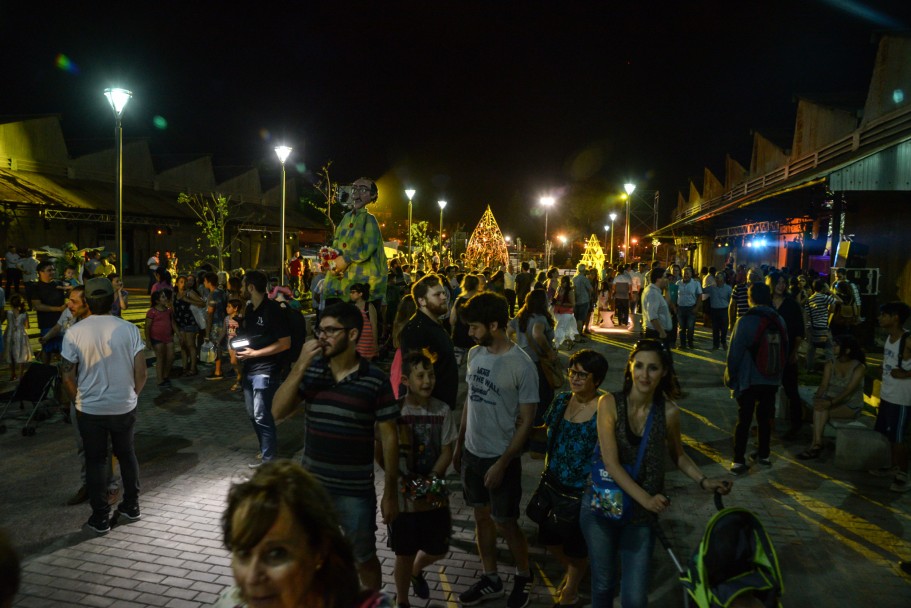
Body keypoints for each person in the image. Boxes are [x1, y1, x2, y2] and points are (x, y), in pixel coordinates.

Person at [580, 339, 732, 606]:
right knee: (603, 586)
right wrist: (647, 499)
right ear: (630, 367)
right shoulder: (609, 403)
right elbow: (611, 463)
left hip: (640, 518)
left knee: (635, 598)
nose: (644, 374)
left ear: (663, 372)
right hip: (603, 505)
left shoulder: (669, 412)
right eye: (639, 366)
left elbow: (679, 455)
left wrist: (704, 480)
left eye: (652, 368)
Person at [272, 301, 399, 591]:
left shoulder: (375, 380)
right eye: (320, 330)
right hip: (313, 488)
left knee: (364, 559)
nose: (322, 337)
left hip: (355, 492)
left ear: (352, 334)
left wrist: (390, 491)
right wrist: (301, 364)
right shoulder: (313, 371)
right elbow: (277, 413)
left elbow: (390, 437)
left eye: (330, 330)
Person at [453, 292, 539, 608]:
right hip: (472, 455)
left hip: (500, 457)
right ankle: (491, 578)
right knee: (481, 518)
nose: (470, 333)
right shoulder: (476, 355)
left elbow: (527, 421)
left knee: (506, 521)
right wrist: (460, 444)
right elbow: (470, 402)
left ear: (494, 324)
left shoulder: (522, 365)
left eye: (474, 327)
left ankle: (523, 575)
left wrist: (503, 463)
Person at [217, 461, 394, 608]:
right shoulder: (229, 603)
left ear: (319, 551)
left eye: (276, 554)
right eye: (243, 553)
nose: (251, 577)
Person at [61, 277, 147, 534]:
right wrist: (132, 395)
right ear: (112, 300)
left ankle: (100, 518)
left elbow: (66, 375)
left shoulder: (75, 332)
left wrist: (78, 400)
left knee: (97, 461)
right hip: (123, 405)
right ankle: (131, 506)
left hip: (91, 409)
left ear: (87, 301)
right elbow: (141, 372)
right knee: (126, 454)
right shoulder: (129, 329)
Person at [537, 349, 608, 607]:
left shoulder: (604, 409)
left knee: (576, 546)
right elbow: (543, 432)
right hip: (553, 484)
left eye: (582, 375)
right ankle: (576, 570)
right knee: (548, 537)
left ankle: (571, 592)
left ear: (596, 380)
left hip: (584, 493)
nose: (575, 379)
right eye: (573, 372)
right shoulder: (561, 400)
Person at [391, 352, 457, 607]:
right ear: (406, 379)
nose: (428, 380)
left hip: (433, 489)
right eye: (421, 375)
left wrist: (429, 480)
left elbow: (447, 450)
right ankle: (402, 600)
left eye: (431, 374)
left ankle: (418, 569)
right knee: (403, 552)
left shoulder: (442, 410)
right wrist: (403, 481)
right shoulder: (396, 411)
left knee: (438, 548)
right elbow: (385, 452)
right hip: (402, 497)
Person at [725, 283, 788, 476]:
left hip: (749, 378)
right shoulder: (779, 319)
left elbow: (734, 353)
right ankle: (764, 455)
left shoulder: (745, 321)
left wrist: (730, 375)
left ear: (751, 298)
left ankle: (738, 460)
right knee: (765, 417)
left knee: (744, 419)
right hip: (771, 378)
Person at [235, 270, 291, 467]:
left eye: (243, 285)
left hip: (266, 369)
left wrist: (255, 354)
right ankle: (264, 451)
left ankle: (269, 460)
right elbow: (252, 338)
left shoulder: (273, 310)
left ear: (251, 287)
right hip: (249, 369)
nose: (240, 289)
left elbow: (285, 343)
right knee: (252, 414)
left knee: (261, 414)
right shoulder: (250, 310)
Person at [322, 178, 388, 317]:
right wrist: (332, 256)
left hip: (360, 281)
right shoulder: (346, 217)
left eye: (363, 190)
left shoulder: (369, 220)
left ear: (373, 195)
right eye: (354, 189)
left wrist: (346, 258)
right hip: (339, 283)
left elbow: (368, 248)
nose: (357, 193)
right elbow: (337, 240)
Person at [797, 334, 866, 459]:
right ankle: (816, 444)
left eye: (837, 345)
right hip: (830, 401)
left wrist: (830, 403)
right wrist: (818, 398)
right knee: (819, 408)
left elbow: (848, 391)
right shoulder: (830, 363)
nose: (833, 347)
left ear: (847, 350)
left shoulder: (859, 367)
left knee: (821, 410)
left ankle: (815, 445)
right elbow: (823, 385)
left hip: (849, 405)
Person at [869, 301, 911, 492]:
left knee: (898, 438)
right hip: (887, 395)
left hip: (901, 398)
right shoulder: (890, 338)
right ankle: (892, 466)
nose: (880, 318)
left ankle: (903, 474)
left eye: (884, 314)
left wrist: (906, 374)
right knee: (888, 434)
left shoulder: (907, 340)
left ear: (895, 317)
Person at [400, 274, 458, 410]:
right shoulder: (416, 330)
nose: (444, 297)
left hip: (440, 408)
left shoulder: (434, 324)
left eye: (443, 293)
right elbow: (416, 375)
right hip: (428, 413)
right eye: (437, 295)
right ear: (422, 301)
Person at [507, 289, 557, 424]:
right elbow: (537, 334)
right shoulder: (541, 318)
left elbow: (508, 332)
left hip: (520, 361)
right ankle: (537, 427)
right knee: (542, 396)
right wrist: (548, 351)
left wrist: (513, 349)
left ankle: (522, 426)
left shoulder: (520, 317)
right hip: (538, 363)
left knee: (523, 396)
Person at [766, 271, 806, 439]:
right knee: (767, 391)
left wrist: (795, 352)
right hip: (767, 353)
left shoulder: (791, 304)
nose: (781, 285)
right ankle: (768, 425)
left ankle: (796, 425)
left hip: (788, 351)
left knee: (791, 390)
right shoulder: (765, 303)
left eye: (784, 282)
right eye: (778, 282)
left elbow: (798, 331)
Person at [30, 260, 67, 364]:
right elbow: (37, 306)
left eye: (53, 270)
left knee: (64, 350)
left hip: (62, 323)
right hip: (46, 323)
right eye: (49, 270)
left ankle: (63, 373)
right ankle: (45, 372)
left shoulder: (59, 284)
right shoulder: (35, 287)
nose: (52, 272)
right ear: (40, 272)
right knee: (47, 349)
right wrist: (58, 309)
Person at [804, 279, 841, 372]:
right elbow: (840, 301)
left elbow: (807, 315)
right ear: (823, 287)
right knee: (829, 348)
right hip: (824, 328)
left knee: (811, 350)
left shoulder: (810, 299)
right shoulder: (824, 297)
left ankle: (810, 368)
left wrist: (807, 329)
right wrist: (830, 292)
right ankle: (830, 369)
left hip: (813, 328)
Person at [145, 288, 178, 390]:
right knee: (160, 358)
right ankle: (160, 380)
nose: (165, 298)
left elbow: (173, 323)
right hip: (156, 338)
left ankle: (165, 375)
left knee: (171, 357)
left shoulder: (168, 311)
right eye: (163, 297)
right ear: (157, 300)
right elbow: (147, 326)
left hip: (168, 337)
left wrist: (178, 334)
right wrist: (148, 340)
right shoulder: (152, 312)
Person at [173, 275, 203, 377]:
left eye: (185, 282)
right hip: (180, 323)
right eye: (181, 282)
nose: (183, 284)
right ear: (176, 283)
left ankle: (193, 368)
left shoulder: (189, 293)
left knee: (191, 345)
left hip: (191, 322)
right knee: (183, 346)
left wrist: (188, 300)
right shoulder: (174, 295)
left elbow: (202, 303)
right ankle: (184, 368)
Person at [450, 274, 481, 366]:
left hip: (459, 337)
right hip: (475, 339)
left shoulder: (459, 300)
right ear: (477, 285)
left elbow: (452, 320)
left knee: (456, 367)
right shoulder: (479, 301)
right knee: (473, 367)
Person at [642, 267, 673, 353]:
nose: (666, 279)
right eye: (664, 277)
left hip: (658, 332)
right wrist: (662, 332)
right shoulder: (653, 293)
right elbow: (652, 316)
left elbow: (665, 304)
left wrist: (667, 290)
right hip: (656, 333)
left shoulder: (656, 292)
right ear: (658, 279)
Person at [4, 294, 31, 381]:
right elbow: (27, 326)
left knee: (10, 354)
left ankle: (13, 374)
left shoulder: (8, 313)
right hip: (20, 335)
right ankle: (21, 375)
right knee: (21, 354)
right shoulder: (24, 314)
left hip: (9, 334)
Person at [350, 282, 379, 360]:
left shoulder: (369, 307)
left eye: (353, 292)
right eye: (350, 292)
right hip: (356, 341)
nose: (351, 294)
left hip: (367, 341)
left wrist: (375, 343)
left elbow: (374, 325)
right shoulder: (352, 307)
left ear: (360, 294)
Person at [676, 266, 703, 349]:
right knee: (681, 328)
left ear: (691, 274)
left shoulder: (695, 283)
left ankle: (690, 343)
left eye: (688, 273)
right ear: (682, 274)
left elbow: (699, 296)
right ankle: (683, 344)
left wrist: (697, 308)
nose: (686, 275)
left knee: (690, 327)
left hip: (691, 308)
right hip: (680, 308)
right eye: (684, 274)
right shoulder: (678, 283)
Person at [707, 271, 733, 350]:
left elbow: (730, 300)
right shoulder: (711, 287)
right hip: (714, 310)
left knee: (724, 328)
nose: (717, 278)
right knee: (715, 328)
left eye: (719, 276)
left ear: (723, 278)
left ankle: (723, 342)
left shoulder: (728, 288)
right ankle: (716, 344)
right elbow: (703, 292)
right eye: (716, 276)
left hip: (724, 310)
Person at [553, 275, 579, 349]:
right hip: (558, 311)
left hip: (566, 313)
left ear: (567, 282)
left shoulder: (570, 291)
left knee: (559, 328)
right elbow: (556, 298)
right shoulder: (559, 288)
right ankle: (570, 343)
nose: (562, 283)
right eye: (561, 282)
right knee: (566, 329)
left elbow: (573, 304)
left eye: (563, 282)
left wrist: (561, 303)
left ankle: (556, 345)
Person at [572, 263, 593, 339]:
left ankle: (576, 334)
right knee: (581, 318)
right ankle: (579, 334)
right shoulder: (585, 279)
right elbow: (591, 289)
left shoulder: (574, 278)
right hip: (584, 300)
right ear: (584, 270)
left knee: (576, 317)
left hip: (576, 300)